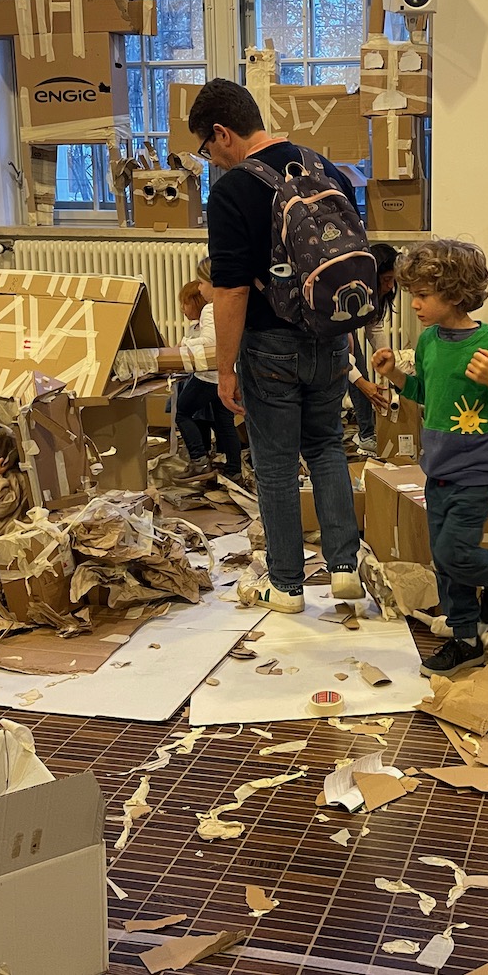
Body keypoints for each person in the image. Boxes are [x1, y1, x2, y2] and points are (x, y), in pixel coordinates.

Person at [190, 77, 364, 613]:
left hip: (270, 347)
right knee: (328, 447)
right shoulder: (326, 168)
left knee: (275, 463)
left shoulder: (232, 190)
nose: (210, 160)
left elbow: (232, 288)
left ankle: (286, 585)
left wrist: (223, 369)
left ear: (222, 133)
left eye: (205, 148)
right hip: (328, 337)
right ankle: (343, 572)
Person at [371, 240, 488, 677]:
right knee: (444, 561)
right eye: (412, 295)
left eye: (424, 295)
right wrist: (394, 376)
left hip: (477, 471)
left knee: (454, 551)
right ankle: (466, 640)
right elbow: (425, 394)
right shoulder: (428, 342)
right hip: (437, 470)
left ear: (456, 293)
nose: (415, 304)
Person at [174, 260, 243, 480]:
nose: (200, 288)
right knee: (224, 423)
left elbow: (210, 341)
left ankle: (199, 460)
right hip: (225, 374)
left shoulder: (211, 309)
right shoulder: (230, 304)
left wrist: (184, 343)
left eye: (202, 283)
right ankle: (233, 470)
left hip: (209, 374)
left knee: (182, 412)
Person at [347, 242, 399, 455]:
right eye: (386, 280)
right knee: (358, 379)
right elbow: (342, 350)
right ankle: (366, 435)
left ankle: (367, 434)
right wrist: (361, 383)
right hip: (333, 335)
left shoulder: (379, 295)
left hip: (344, 335)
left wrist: (390, 360)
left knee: (363, 378)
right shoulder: (350, 294)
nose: (389, 286)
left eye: (393, 280)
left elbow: (374, 327)